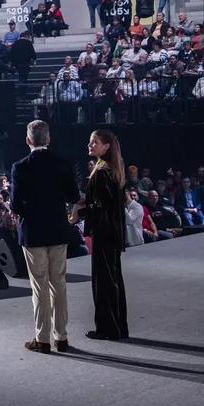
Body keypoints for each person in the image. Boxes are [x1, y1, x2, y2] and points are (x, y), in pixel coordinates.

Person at [10, 120, 81, 353]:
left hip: (33, 233)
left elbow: (15, 205)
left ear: (28, 140)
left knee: (39, 286)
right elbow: (73, 195)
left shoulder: (19, 167)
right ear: (48, 139)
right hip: (58, 230)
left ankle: (42, 339)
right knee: (59, 284)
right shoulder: (62, 163)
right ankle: (61, 337)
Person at [78, 129, 130, 340]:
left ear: (106, 146)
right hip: (114, 233)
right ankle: (118, 327)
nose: (90, 145)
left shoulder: (101, 172)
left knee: (104, 283)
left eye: (94, 142)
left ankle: (107, 329)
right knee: (114, 280)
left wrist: (78, 214)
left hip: (104, 233)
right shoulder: (113, 170)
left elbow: (99, 207)